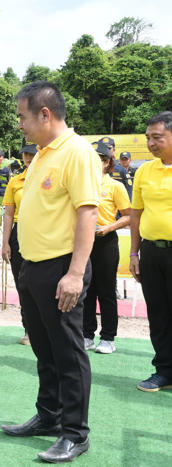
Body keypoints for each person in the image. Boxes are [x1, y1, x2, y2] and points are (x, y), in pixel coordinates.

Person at [0, 81, 100, 463]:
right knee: (44, 349)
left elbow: (87, 213)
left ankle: (75, 433)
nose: (20, 126)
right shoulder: (42, 153)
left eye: (23, 117)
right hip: (33, 267)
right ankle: (49, 415)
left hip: (61, 268)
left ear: (45, 114)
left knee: (68, 353)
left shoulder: (77, 152)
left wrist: (75, 274)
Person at [129, 111, 172, 392]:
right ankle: (164, 371)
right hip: (152, 253)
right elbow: (135, 214)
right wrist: (134, 254)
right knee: (158, 313)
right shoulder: (145, 170)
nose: (151, 143)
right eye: (148, 138)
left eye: (157, 137)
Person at [82, 141, 130, 355]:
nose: (98, 162)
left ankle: (109, 337)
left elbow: (129, 216)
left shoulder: (115, 186)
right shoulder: (82, 183)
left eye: (102, 159)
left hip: (106, 241)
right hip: (85, 241)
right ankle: (87, 334)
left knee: (106, 291)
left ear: (109, 162)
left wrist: (110, 227)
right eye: (94, 158)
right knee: (87, 290)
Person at [1, 143, 37, 345]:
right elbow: (8, 213)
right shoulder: (15, 181)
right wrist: (5, 242)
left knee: (41, 282)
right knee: (23, 284)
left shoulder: (48, 178)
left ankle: (46, 329)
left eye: (32, 153)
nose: (28, 158)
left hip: (41, 233)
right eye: (26, 154)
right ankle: (29, 329)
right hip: (18, 232)